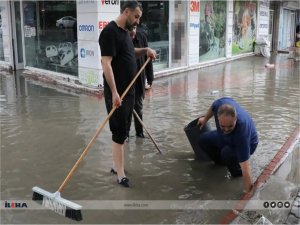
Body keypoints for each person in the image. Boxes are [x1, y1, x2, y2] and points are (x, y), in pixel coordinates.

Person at [98, 0, 156, 188]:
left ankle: (118, 165)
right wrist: (114, 92)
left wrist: (145, 50)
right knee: (119, 131)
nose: (138, 21)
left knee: (124, 130)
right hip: (118, 93)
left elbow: (131, 54)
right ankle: (120, 174)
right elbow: (106, 64)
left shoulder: (125, 33)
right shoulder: (109, 32)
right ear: (126, 12)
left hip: (130, 91)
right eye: (136, 16)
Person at [197, 97, 258, 193]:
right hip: (224, 138)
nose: (226, 129)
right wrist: (205, 119)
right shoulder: (219, 104)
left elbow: (246, 170)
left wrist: (249, 195)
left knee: (227, 152)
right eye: (222, 126)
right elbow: (213, 107)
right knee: (203, 139)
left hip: (249, 143)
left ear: (236, 119)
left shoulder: (241, 133)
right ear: (217, 117)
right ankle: (222, 163)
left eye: (230, 126)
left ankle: (236, 172)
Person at [127, 26, 154, 138]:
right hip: (126, 81)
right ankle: (125, 135)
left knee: (138, 107)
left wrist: (150, 77)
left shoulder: (142, 36)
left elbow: (149, 59)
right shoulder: (122, 39)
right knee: (126, 108)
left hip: (139, 79)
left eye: (134, 32)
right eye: (130, 34)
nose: (133, 35)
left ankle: (139, 133)